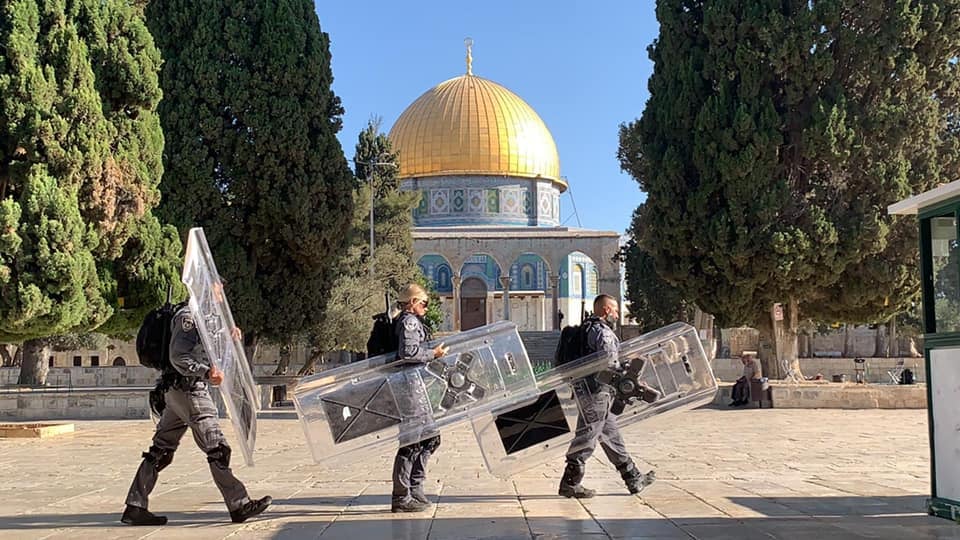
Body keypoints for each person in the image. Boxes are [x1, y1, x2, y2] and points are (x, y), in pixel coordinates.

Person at [121, 303, 271, 526]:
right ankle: (239, 504)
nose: (220, 291)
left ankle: (135, 506)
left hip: (176, 392)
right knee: (217, 448)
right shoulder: (188, 316)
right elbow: (179, 356)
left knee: (160, 450)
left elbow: (206, 350)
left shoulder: (205, 317)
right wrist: (206, 373)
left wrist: (228, 339)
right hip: (190, 391)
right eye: (218, 288)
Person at [558, 294, 655, 498]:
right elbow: (609, 365)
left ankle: (633, 477)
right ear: (607, 310)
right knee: (588, 435)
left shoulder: (585, 329)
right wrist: (630, 376)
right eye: (616, 310)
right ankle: (570, 483)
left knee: (610, 433)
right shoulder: (604, 333)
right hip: (597, 392)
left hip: (584, 389)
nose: (618, 315)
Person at [391, 283, 449, 513]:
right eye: (424, 303)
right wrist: (433, 354)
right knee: (411, 442)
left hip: (414, 386)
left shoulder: (410, 321)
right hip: (409, 389)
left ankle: (415, 487)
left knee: (430, 438)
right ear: (413, 302)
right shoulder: (410, 321)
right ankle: (401, 496)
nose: (426, 307)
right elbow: (408, 353)